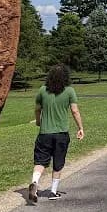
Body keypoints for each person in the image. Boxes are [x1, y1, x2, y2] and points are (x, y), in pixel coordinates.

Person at [28, 65, 84, 204]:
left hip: (44, 133)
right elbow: (75, 111)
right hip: (61, 133)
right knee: (58, 162)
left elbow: (37, 109)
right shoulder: (69, 91)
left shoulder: (42, 90)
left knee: (40, 161)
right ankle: (53, 191)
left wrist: (39, 121)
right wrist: (80, 127)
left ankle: (35, 181)